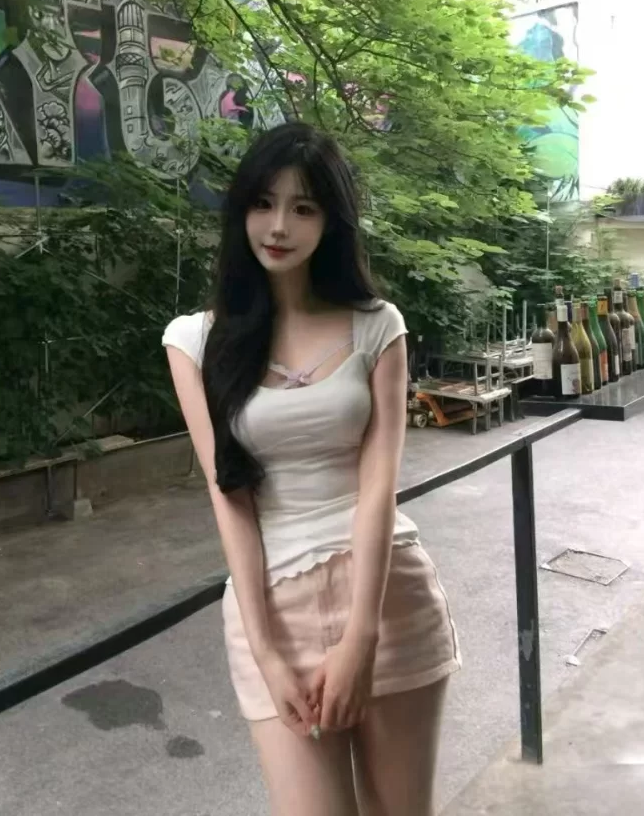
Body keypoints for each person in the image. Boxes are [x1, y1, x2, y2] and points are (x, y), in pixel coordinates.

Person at [163, 123, 460, 816]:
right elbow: (229, 497)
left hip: (385, 597)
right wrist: (266, 651)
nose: (278, 226)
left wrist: (361, 638)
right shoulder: (195, 341)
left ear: (331, 221)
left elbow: (379, 488)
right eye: (263, 203)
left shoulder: (376, 326)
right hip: (274, 611)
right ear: (241, 210)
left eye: (303, 207)